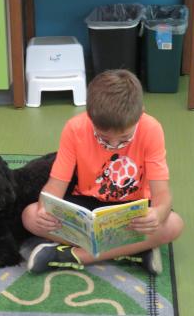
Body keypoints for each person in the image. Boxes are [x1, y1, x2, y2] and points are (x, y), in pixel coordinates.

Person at [22, 69, 183, 275]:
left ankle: (71, 255)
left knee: (174, 224)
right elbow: (55, 186)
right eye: (104, 138)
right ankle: (135, 249)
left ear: (140, 113)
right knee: (30, 215)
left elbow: (162, 194)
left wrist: (158, 214)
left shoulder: (151, 129)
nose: (114, 146)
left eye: (124, 138)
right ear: (90, 116)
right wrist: (46, 208)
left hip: (133, 211)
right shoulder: (75, 128)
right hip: (88, 207)